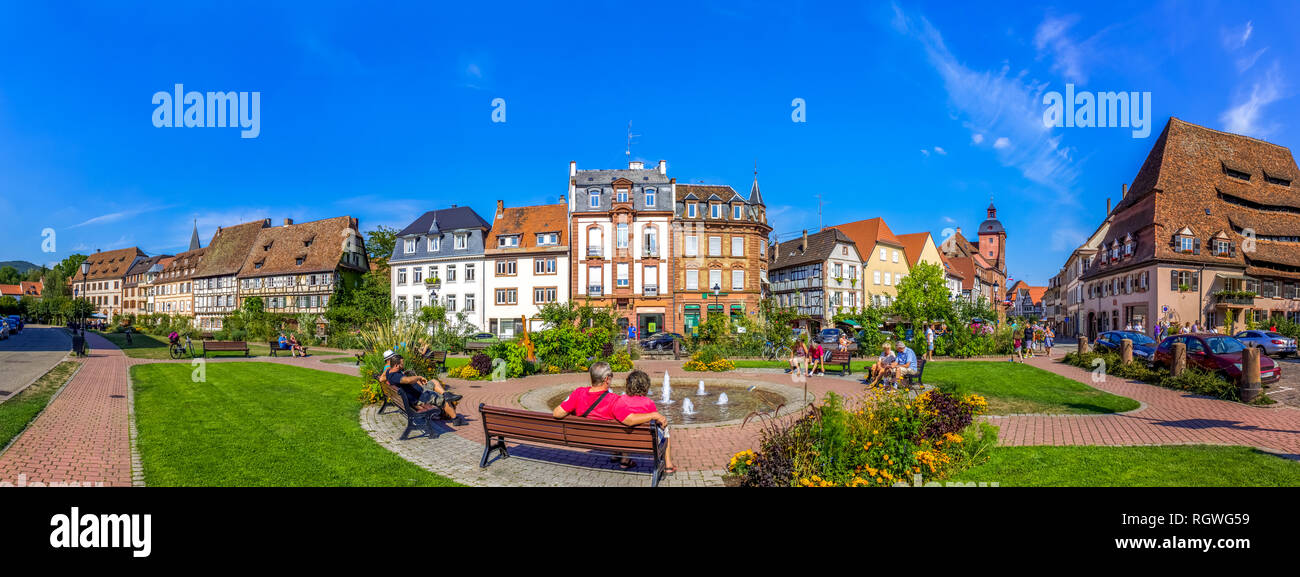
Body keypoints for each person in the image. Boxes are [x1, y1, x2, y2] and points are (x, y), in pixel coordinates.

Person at [610, 369, 674, 473]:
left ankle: (624, 459)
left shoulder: (620, 400)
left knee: (624, 429)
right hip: (646, 442)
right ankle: (668, 465)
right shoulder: (648, 403)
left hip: (623, 440)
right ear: (646, 386)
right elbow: (657, 422)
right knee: (665, 429)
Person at [384, 352, 466, 425]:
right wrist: (419, 377)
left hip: (419, 391)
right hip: (420, 397)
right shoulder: (395, 376)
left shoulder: (389, 372)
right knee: (443, 400)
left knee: (433, 381)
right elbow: (407, 380)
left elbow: (401, 380)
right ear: (396, 365)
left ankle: (446, 394)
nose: (403, 365)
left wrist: (415, 380)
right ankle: (456, 419)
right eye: (402, 363)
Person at [553, 361, 621, 422]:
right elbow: (630, 421)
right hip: (605, 435)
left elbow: (557, 413)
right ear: (607, 379)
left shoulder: (578, 393)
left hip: (578, 435)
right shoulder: (615, 400)